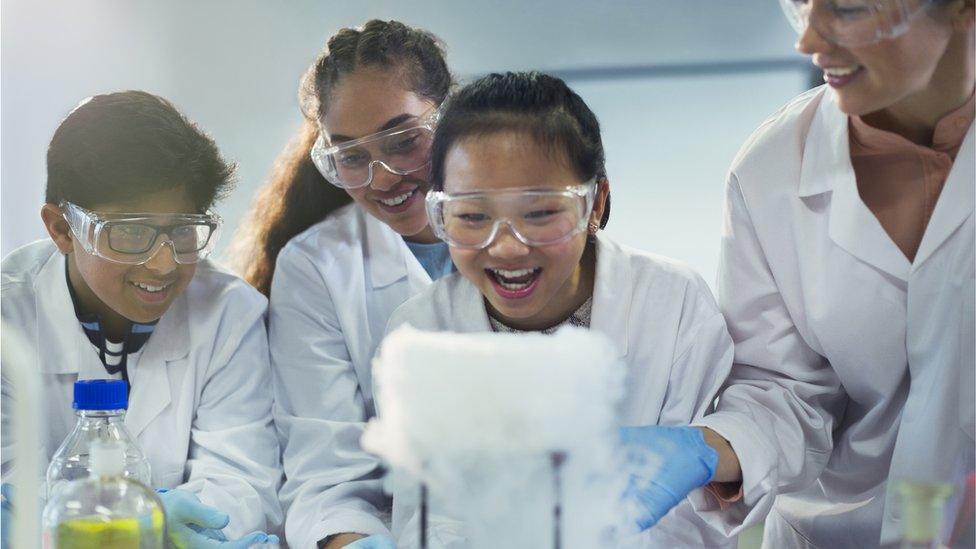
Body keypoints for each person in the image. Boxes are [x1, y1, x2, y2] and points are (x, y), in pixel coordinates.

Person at [624, 0, 976, 546]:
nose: (808, 40)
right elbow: (788, 389)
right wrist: (712, 448)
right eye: (802, 7)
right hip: (834, 533)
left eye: (849, 9)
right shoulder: (772, 167)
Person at [383, 71, 737, 547]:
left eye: (541, 213)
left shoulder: (671, 304)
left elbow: (695, 520)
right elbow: (429, 517)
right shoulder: (419, 330)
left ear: (596, 204)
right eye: (472, 216)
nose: (507, 247)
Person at [0, 91, 282, 547]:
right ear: (61, 229)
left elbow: (242, 483)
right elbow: (13, 489)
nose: (163, 264)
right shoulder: (7, 321)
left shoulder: (230, 314)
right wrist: (141, 521)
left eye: (183, 231)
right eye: (131, 231)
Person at [233, 20, 453, 548]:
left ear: (450, 118)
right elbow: (326, 479)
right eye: (351, 156)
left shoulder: (531, 232)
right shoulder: (317, 266)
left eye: (403, 141)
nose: (382, 177)